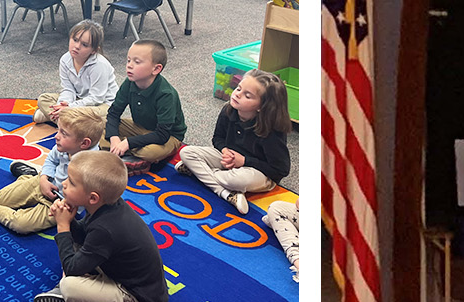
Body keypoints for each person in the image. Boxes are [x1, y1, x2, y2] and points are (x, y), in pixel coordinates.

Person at [34, 151, 169, 302]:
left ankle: (72, 297)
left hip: (137, 296)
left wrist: (63, 226)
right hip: (122, 272)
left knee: (69, 286)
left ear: (93, 198)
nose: (63, 183)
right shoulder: (105, 206)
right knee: (75, 246)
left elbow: (71, 268)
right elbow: (84, 235)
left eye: (71, 182)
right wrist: (69, 220)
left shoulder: (106, 228)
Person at [0, 107, 105, 234]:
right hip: (45, 182)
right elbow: (51, 160)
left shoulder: (92, 167)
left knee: (20, 225)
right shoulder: (65, 145)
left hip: (61, 203)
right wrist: (44, 178)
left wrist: (66, 204)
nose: (56, 136)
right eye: (58, 130)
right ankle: (32, 174)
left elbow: (88, 198)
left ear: (84, 143)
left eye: (63, 134)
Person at [177, 71, 291, 215]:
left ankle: (200, 172)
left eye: (247, 95)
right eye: (238, 88)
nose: (237, 94)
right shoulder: (228, 110)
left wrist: (244, 161)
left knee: (235, 181)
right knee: (186, 152)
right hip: (229, 160)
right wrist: (224, 150)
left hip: (259, 172)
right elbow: (217, 138)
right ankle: (226, 193)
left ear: (261, 106)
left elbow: (280, 169)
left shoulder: (271, 130)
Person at [103, 39, 185, 174]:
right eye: (128, 60)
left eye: (137, 62)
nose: (129, 65)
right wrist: (114, 138)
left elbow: (162, 135)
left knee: (150, 152)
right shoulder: (130, 82)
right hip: (140, 128)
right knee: (100, 127)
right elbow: (113, 113)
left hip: (169, 136)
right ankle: (129, 155)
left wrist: (127, 143)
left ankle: (128, 154)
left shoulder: (166, 94)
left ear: (156, 69)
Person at [35, 21, 120, 124]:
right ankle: (68, 122)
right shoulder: (65, 59)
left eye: (84, 45)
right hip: (79, 99)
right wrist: (63, 105)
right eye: (75, 40)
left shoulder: (99, 65)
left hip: (102, 103)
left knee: (101, 114)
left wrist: (70, 108)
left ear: (94, 50)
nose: (77, 46)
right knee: (43, 99)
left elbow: (97, 98)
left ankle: (57, 119)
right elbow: (68, 89)